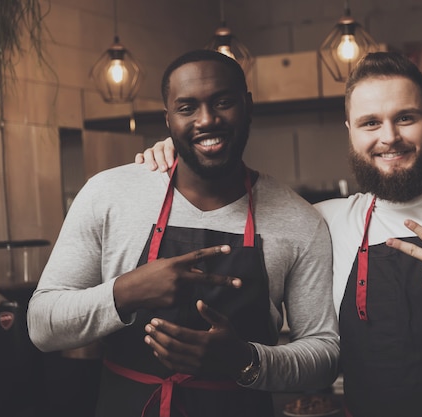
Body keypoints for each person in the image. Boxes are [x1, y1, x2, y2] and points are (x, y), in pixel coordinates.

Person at [136, 51, 422, 417]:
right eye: (370, 123)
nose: (389, 137)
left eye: (405, 117)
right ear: (351, 133)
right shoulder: (326, 221)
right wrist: (178, 151)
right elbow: (226, 193)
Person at [27, 49, 339, 417]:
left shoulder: (300, 219)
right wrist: (126, 292)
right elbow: (42, 325)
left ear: (248, 105)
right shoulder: (108, 194)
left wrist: (245, 359)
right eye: (187, 107)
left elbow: (325, 353)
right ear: (168, 119)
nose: (207, 120)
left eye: (223, 102)